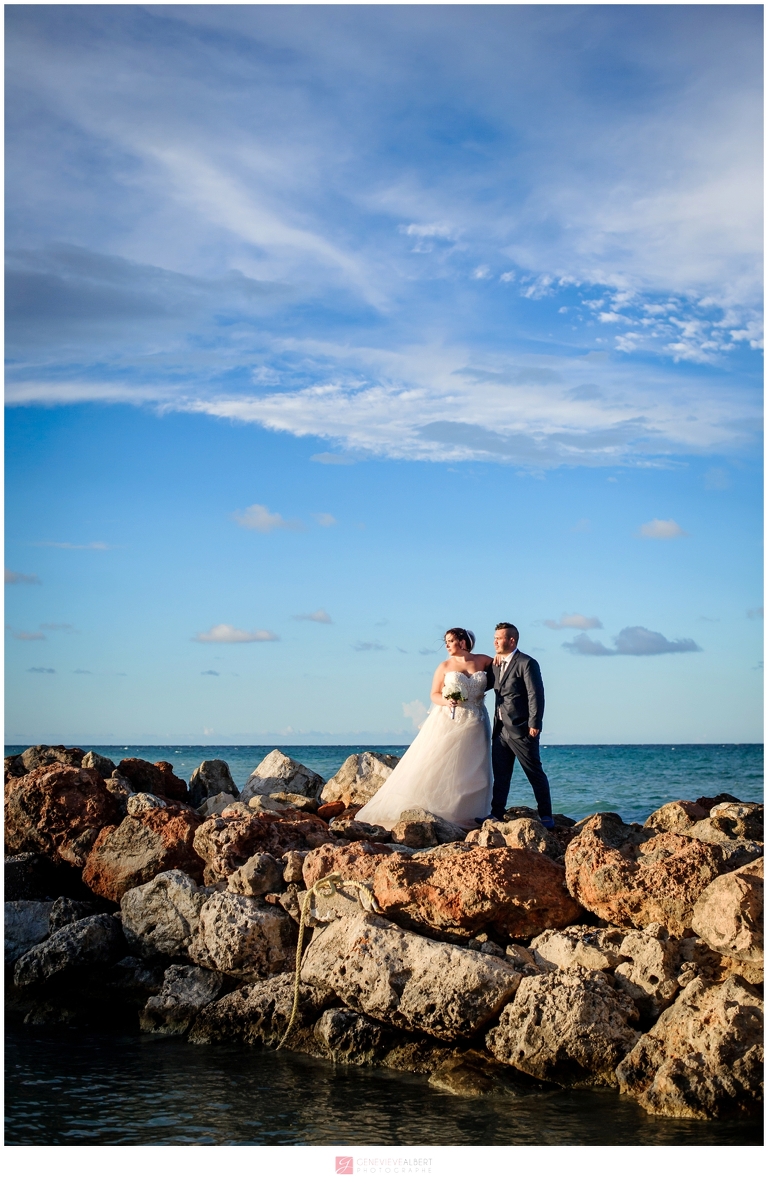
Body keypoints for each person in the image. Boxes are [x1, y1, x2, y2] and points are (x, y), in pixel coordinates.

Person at [355, 628, 493, 829]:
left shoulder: (482, 660)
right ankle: (442, 809)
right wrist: (447, 700)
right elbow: (434, 694)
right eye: (446, 641)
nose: (446, 645)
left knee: (475, 765)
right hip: (450, 719)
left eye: (450, 641)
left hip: (478, 719)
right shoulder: (444, 666)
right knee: (445, 763)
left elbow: (502, 666)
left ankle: (470, 812)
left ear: (463, 642)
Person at [481, 621, 554, 829]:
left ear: (511, 640)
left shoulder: (527, 663)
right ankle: (495, 814)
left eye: (499, 638)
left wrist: (535, 723)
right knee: (501, 776)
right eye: (494, 638)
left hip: (522, 728)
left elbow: (535, 694)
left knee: (534, 772)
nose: (495, 642)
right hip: (500, 730)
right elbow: (484, 685)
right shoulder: (495, 664)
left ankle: (546, 815)